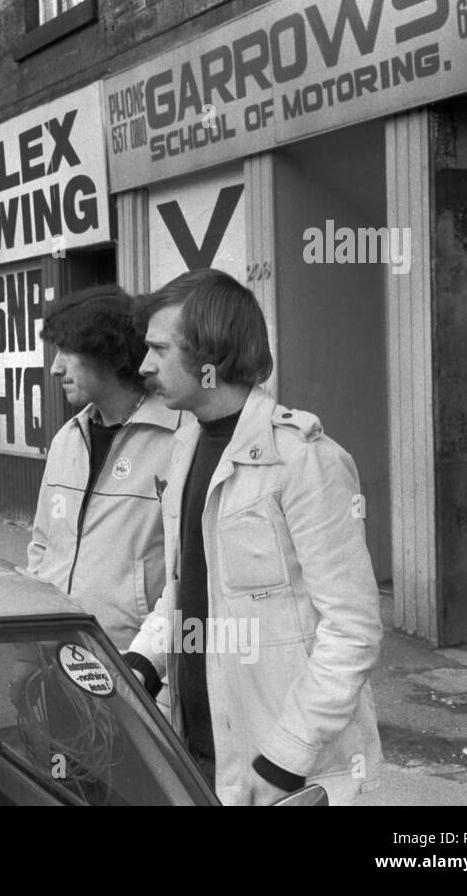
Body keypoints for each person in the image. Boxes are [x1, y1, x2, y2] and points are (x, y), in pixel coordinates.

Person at [121, 268, 382, 805]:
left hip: (288, 774)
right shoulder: (186, 445)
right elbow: (192, 581)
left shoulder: (303, 460)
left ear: (209, 358)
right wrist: (145, 657)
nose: (144, 365)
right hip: (200, 752)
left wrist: (287, 754)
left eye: (159, 349)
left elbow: (353, 628)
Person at [26, 285, 182, 651]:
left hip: (133, 671)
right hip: (55, 656)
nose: (55, 367)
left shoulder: (178, 441)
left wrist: (149, 662)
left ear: (107, 352)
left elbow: (186, 576)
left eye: (68, 351)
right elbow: (41, 548)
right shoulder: (67, 439)